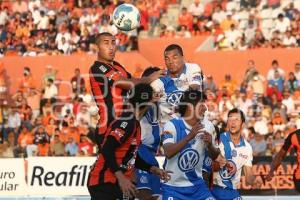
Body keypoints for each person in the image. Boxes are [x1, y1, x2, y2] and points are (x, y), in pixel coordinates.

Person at [87, 83, 171, 200]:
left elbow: (130, 155)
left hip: (117, 182)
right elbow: (107, 149)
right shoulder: (127, 122)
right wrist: (121, 178)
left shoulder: (135, 123)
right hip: (105, 182)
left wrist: (152, 169)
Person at [89, 32, 164, 147]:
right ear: (97, 47)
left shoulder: (117, 66)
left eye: (113, 43)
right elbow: (128, 84)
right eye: (106, 43)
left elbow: (134, 80)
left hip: (126, 123)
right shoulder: (97, 67)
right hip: (109, 126)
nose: (111, 47)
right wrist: (150, 78)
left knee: (128, 163)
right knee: (111, 163)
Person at [161, 90, 225, 200]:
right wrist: (189, 136)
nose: (205, 109)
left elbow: (215, 156)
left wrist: (210, 145)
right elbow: (168, 152)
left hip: (197, 187)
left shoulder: (208, 127)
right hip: (173, 187)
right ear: (190, 107)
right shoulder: (171, 125)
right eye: (201, 105)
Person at [211, 108, 259, 199]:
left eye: (236, 119)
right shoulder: (218, 140)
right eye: (230, 119)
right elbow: (204, 165)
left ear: (243, 124)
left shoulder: (247, 147)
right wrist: (217, 164)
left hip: (232, 192)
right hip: (213, 189)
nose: (232, 122)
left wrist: (255, 180)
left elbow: (249, 178)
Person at [151, 44, 203, 123]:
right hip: (170, 127)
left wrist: (179, 106)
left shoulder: (192, 68)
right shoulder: (160, 80)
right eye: (167, 59)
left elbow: (194, 88)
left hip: (195, 122)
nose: (170, 62)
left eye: (175, 57)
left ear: (182, 57)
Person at [135, 67, 162, 200]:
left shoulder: (161, 103)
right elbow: (133, 119)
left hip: (152, 153)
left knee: (156, 196)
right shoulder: (139, 100)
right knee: (144, 194)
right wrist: (149, 100)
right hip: (140, 149)